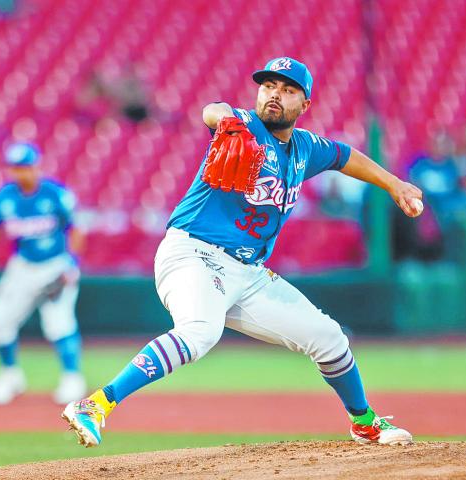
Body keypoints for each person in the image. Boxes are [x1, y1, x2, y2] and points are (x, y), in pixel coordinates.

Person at [62, 57, 423, 447]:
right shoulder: (245, 125)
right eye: (268, 86)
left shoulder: (305, 148)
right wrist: (226, 122)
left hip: (247, 272)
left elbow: (345, 156)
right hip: (193, 253)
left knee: (330, 338)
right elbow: (212, 111)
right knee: (200, 332)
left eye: (287, 90)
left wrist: (394, 184)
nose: (274, 95)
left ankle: (364, 421)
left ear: (305, 106)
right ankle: (97, 404)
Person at [0, 143, 87, 405]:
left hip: (55, 266)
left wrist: (72, 264)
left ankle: (72, 378)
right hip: (22, 267)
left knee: (59, 324)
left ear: (36, 166)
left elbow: (76, 230)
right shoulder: (4, 199)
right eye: (16, 168)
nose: (21, 173)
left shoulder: (55, 194)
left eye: (25, 166)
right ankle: (10, 375)